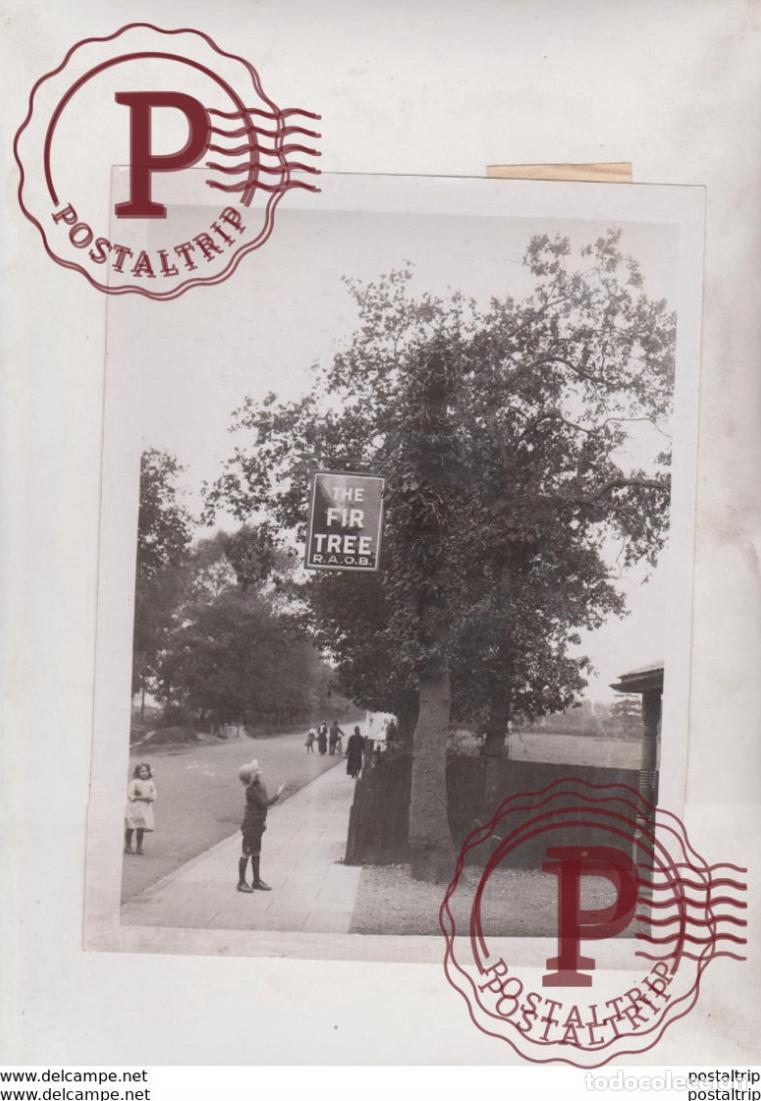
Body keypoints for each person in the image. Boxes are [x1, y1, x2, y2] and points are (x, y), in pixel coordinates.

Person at [237, 759, 285, 893]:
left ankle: (256, 881)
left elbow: (262, 805)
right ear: (251, 776)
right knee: (246, 853)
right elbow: (264, 803)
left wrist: (262, 821)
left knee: (256, 851)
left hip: (257, 824)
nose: (259, 770)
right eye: (255, 770)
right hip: (250, 826)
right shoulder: (251, 790)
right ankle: (241, 882)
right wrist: (278, 794)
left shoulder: (258, 786)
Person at [124, 762, 157, 855]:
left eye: (146, 771)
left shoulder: (150, 783)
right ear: (137, 773)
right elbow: (130, 795)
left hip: (144, 809)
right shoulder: (134, 782)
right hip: (134, 808)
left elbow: (154, 793)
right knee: (130, 827)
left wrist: (151, 798)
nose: (144, 773)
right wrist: (140, 797)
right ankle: (128, 846)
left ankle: (139, 847)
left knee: (140, 828)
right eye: (142, 771)